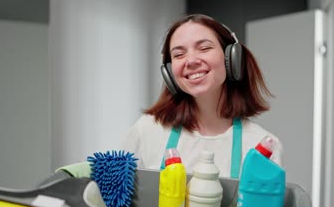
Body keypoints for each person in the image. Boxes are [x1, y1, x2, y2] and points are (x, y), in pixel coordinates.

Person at [121, 14, 283, 178]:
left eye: (204, 48)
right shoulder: (147, 130)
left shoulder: (262, 145)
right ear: (169, 72)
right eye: (178, 55)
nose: (191, 61)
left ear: (232, 58)